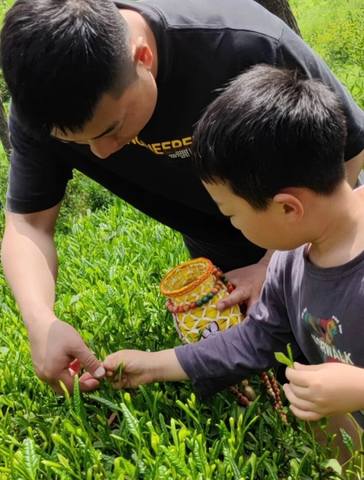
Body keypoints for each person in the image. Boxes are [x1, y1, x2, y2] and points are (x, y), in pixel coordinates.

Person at [0, 0, 364, 394]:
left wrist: (274, 260)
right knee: (298, 372)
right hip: (255, 239)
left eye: (110, 129)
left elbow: (347, 151)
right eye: (77, 144)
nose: (101, 154)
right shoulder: (45, 100)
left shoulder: (244, 42)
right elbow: (28, 223)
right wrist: (41, 322)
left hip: (310, 233)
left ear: (143, 57)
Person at [103, 66, 364, 454]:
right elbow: (254, 339)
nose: (232, 226)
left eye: (232, 215)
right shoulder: (288, 262)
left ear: (288, 209)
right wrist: (152, 365)